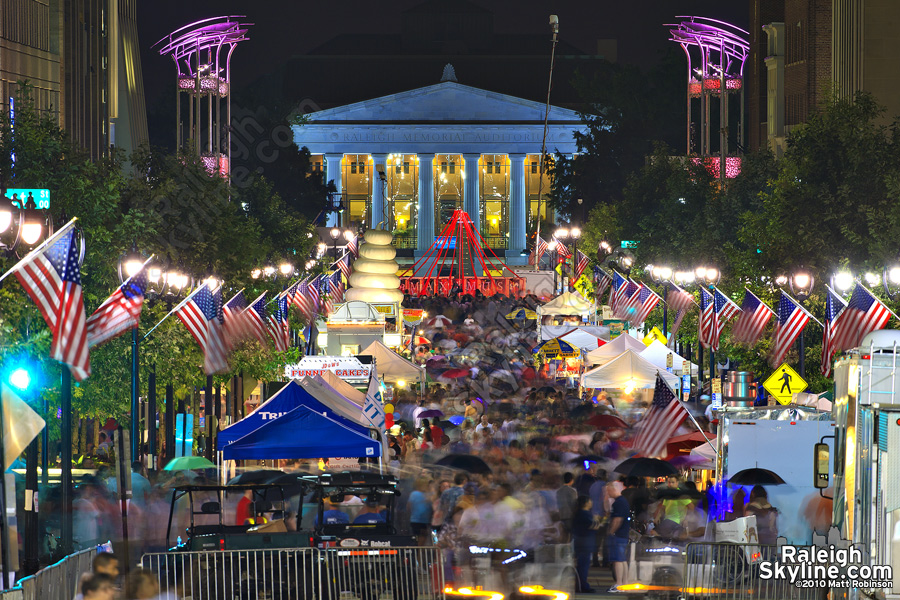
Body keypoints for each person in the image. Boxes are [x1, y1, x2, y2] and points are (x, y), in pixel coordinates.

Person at [606, 482, 631, 593]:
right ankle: (624, 583)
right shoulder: (623, 501)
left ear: (613, 490)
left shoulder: (618, 503)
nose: (607, 493)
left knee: (617, 560)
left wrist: (611, 532)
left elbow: (617, 519)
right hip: (624, 534)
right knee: (623, 560)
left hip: (618, 535)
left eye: (608, 490)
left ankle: (619, 584)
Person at [572, 496, 599, 593]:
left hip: (582, 542)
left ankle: (580, 585)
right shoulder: (584, 514)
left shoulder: (580, 513)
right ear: (586, 503)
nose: (591, 502)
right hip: (585, 542)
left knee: (582, 564)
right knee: (583, 565)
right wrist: (596, 519)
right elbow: (594, 525)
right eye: (590, 500)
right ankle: (582, 586)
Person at [409, 478, 434, 545]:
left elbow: (409, 507)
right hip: (424, 521)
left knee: (418, 538)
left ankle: (418, 552)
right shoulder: (430, 495)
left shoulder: (414, 494)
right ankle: (419, 553)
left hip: (415, 520)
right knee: (423, 538)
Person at [556, 472, 578, 541]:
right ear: (571, 480)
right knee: (573, 537)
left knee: (565, 537)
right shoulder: (572, 491)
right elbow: (574, 504)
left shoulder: (558, 491)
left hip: (562, 516)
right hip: (570, 517)